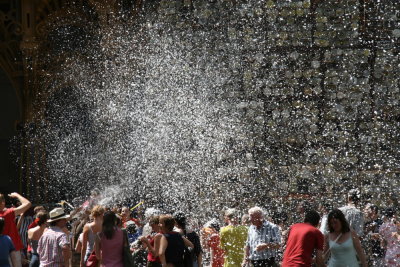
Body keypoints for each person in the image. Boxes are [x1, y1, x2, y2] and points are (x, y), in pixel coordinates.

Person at [0, 192, 32, 266]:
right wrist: (17, 195)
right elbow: (28, 204)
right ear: (3, 202)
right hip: (13, 248)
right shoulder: (8, 213)